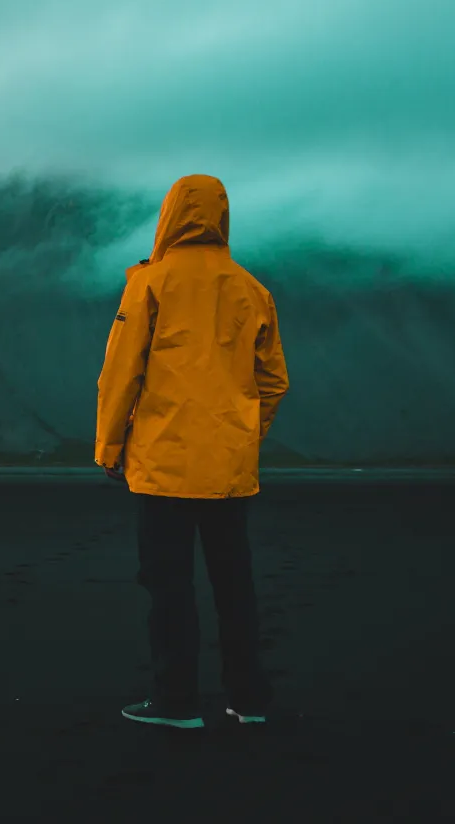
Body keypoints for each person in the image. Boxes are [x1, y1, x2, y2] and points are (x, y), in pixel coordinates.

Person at [96, 174, 290, 730]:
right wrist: (245, 436)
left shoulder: (150, 284)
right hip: (229, 467)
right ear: (221, 217)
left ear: (172, 214)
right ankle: (249, 701)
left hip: (163, 467)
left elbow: (121, 374)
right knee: (235, 584)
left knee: (169, 587)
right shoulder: (252, 289)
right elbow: (274, 381)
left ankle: (177, 702)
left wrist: (110, 447)